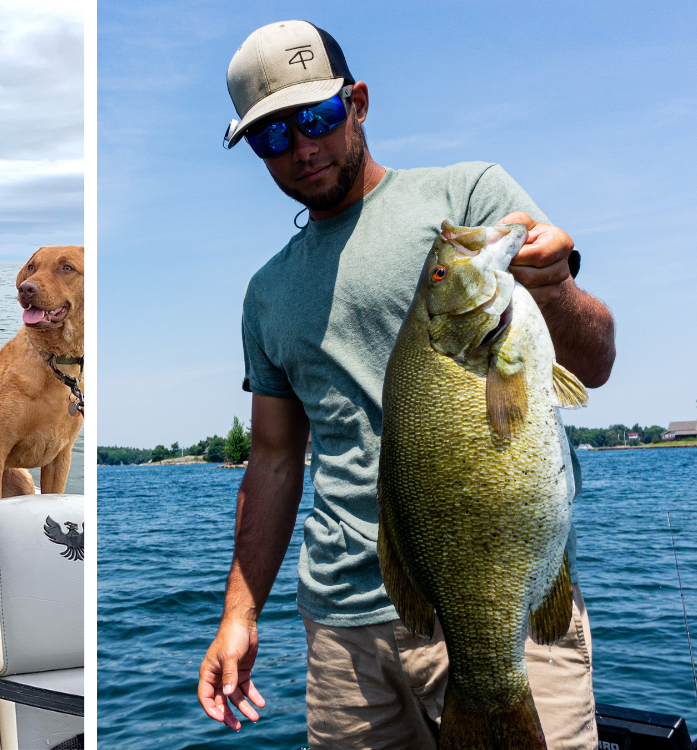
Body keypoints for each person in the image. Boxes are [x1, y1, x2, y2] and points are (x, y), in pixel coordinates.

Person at [197, 22, 616, 749]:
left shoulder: (470, 196)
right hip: (341, 631)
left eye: (317, 119)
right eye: (271, 139)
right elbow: (270, 460)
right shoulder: (265, 294)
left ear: (357, 102)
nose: (302, 149)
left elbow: (597, 362)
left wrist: (553, 288)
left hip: (500, 603)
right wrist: (240, 613)